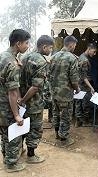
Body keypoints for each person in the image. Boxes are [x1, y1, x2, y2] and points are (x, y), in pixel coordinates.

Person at [19, 35, 54, 163]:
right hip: (33, 103)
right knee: (35, 129)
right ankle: (31, 155)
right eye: (50, 48)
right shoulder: (40, 61)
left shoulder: (24, 57)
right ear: (44, 47)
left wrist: (21, 100)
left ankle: (20, 149)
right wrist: (23, 100)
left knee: (22, 127)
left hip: (22, 102)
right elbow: (35, 87)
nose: (50, 50)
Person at [0, 29, 30, 172]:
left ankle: (7, 158)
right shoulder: (11, 62)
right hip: (6, 104)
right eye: (26, 43)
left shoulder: (3, 56)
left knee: (4, 132)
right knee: (13, 132)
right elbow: (12, 92)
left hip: (1, 103)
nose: (28, 46)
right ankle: (11, 164)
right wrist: (17, 114)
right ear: (18, 44)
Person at [50, 35, 80, 146]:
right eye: (75, 45)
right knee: (66, 115)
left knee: (56, 113)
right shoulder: (72, 58)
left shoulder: (54, 56)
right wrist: (77, 89)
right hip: (66, 93)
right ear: (71, 44)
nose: (75, 48)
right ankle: (64, 139)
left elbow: (49, 74)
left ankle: (57, 134)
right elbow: (74, 78)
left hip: (54, 92)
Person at [75, 43, 97, 127]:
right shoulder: (84, 60)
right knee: (85, 103)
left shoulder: (81, 56)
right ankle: (85, 122)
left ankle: (78, 121)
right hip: (83, 85)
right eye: (94, 52)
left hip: (78, 84)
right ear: (89, 49)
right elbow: (84, 77)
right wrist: (91, 87)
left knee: (78, 102)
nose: (94, 54)